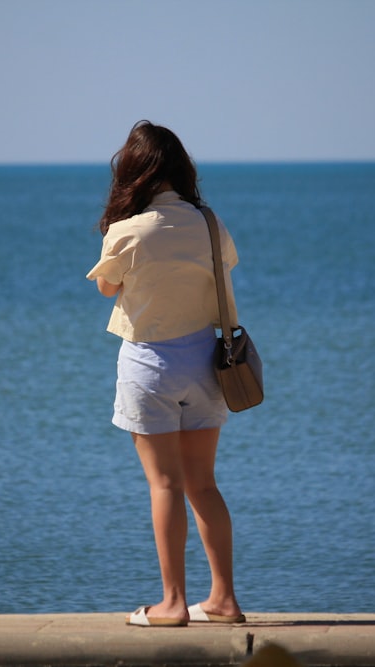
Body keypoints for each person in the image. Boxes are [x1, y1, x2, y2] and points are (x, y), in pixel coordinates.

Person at [86, 120, 246, 627]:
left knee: (164, 486)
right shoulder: (208, 221)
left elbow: (107, 288)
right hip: (206, 360)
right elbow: (226, 268)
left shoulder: (127, 230)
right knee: (203, 484)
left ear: (132, 172)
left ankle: (172, 603)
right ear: (180, 168)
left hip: (151, 363)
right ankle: (223, 599)